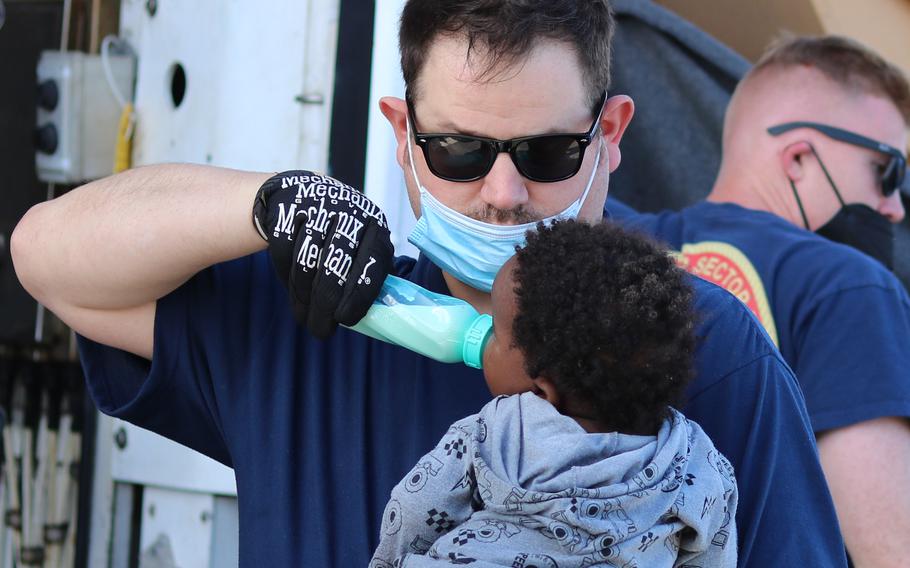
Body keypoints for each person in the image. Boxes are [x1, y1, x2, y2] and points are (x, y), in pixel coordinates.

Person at [10, 2, 846, 566]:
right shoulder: (316, 310)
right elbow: (44, 255)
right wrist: (264, 204)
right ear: (403, 136)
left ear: (611, 135)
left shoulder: (706, 348)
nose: (504, 193)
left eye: (548, 153)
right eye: (461, 151)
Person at [608, 34, 910, 566]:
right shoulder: (847, 284)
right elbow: (891, 548)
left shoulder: (604, 244)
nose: (894, 208)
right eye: (889, 173)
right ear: (798, 157)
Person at [371, 220, 738, 567]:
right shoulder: (697, 460)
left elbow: (415, 509)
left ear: (544, 388)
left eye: (497, 335)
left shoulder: (494, 432)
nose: (484, 335)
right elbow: (712, 550)